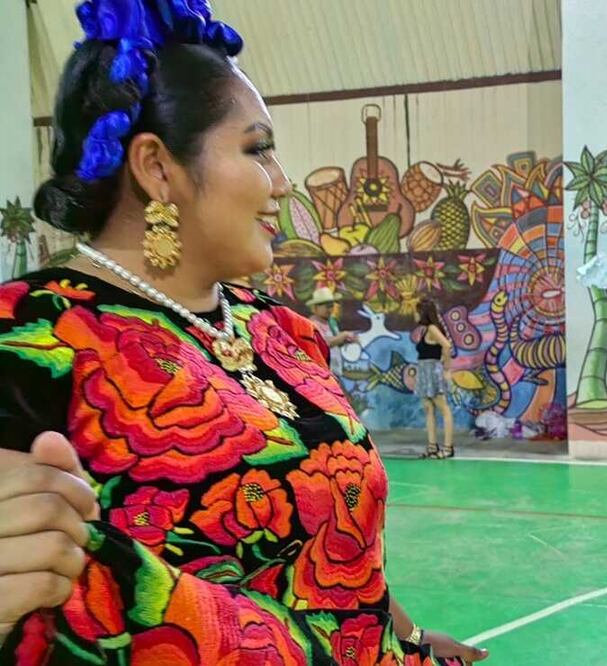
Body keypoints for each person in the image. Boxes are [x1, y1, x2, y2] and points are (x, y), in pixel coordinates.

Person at [0, 2, 487, 664]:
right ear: (157, 167)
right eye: (257, 149)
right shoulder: (29, 336)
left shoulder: (278, 327)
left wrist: (408, 637)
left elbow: (338, 554)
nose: (282, 184)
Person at [414, 298, 455, 459]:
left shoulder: (432, 328)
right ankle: (432, 446)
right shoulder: (425, 330)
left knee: (443, 408)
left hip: (433, 371)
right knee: (428, 408)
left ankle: (448, 447)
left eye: (416, 312)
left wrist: (446, 369)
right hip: (425, 371)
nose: (414, 315)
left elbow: (447, 345)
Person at [307, 286, 355, 378]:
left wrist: (346, 340)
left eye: (331, 305)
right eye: (325, 305)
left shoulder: (332, 322)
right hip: (322, 372)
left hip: (335, 370)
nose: (329, 308)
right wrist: (343, 335)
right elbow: (323, 343)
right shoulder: (312, 324)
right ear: (315, 307)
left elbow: (335, 342)